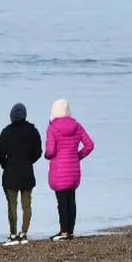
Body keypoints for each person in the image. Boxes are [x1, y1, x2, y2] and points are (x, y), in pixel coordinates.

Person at [45, 99, 95, 240]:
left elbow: (50, 151)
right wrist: (77, 156)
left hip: (58, 169)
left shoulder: (52, 128)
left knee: (61, 202)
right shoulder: (77, 126)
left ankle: (63, 231)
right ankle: (70, 230)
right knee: (71, 200)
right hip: (73, 169)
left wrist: (47, 155)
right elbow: (89, 145)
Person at [0, 102, 43, 245]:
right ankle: (24, 233)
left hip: (10, 173)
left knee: (12, 205)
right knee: (26, 205)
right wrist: (29, 161)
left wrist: (5, 165)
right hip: (27, 172)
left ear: (11, 117)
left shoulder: (6, 132)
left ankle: (13, 234)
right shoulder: (33, 131)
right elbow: (38, 152)